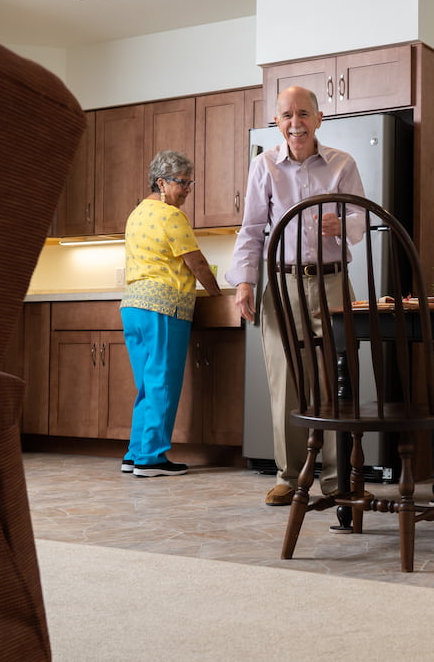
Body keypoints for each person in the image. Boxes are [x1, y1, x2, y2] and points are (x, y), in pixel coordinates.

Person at [226, 86, 367, 506]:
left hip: (333, 282)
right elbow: (252, 229)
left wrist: (343, 224)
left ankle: (338, 476)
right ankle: (290, 475)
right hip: (282, 284)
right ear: (278, 122)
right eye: (286, 115)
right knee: (285, 380)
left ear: (319, 119)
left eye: (303, 113)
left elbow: (363, 218)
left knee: (334, 380)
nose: (295, 122)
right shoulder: (264, 165)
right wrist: (245, 282)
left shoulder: (343, 163)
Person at [120, 150, 221, 477]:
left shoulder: (136, 213)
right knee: (162, 382)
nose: (188, 189)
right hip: (164, 306)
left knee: (147, 385)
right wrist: (217, 294)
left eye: (190, 182)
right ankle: (151, 459)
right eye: (182, 182)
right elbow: (196, 262)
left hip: (133, 307)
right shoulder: (171, 216)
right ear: (160, 181)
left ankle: (134, 453)